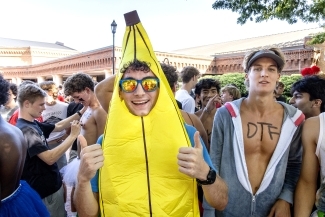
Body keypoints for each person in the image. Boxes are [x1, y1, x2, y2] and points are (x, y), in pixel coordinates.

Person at [74, 10, 228, 217]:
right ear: (120, 92)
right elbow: (86, 213)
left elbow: (221, 202)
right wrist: (82, 179)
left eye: (149, 83)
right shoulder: (105, 142)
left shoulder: (188, 135)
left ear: (160, 90)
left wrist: (205, 174)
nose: (139, 92)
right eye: (129, 84)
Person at [204, 48, 304, 217]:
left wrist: (286, 198)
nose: (264, 73)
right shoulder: (227, 114)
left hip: (271, 211)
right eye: (257, 68)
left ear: (278, 76)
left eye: (271, 69)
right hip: (228, 209)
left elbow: (294, 164)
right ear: (247, 75)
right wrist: (209, 212)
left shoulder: (293, 119)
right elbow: (213, 166)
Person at [16, 83, 85, 217]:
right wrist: (72, 136)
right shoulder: (26, 130)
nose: (44, 107)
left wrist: (81, 112)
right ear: (27, 104)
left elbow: (58, 125)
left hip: (51, 189)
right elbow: (49, 158)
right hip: (46, 193)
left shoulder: (31, 123)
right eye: (41, 104)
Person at [0, 75, 49, 217]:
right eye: (41, 105)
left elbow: (49, 158)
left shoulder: (14, 131)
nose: (44, 108)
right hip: (19, 200)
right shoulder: (14, 129)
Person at [293, 76, 325, 216]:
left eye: (298, 96)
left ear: (317, 102)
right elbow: (307, 182)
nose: (291, 101)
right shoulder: (313, 126)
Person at [63, 72, 107, 147]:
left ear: (87, 90)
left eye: (77, 97)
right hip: (81, 157)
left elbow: (103, 143)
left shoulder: (100, 111)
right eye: (74, 98)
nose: (76, 102)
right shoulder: (87, 107)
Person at [39, 81, 69, 170]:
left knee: (62, 171)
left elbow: (70, 123)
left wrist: (66, 135)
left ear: (51, 92)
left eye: (42, 91)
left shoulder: (65, 107)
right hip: (44, 145)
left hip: (58, 144)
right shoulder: (40, 108)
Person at [194, 78, 222, 146]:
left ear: (218, 94)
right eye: (205, 92)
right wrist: (206, 111)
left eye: (213, 91)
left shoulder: (224, 115)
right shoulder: (193, 117)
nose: (209, 95)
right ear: (198, 96)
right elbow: (192, 135)